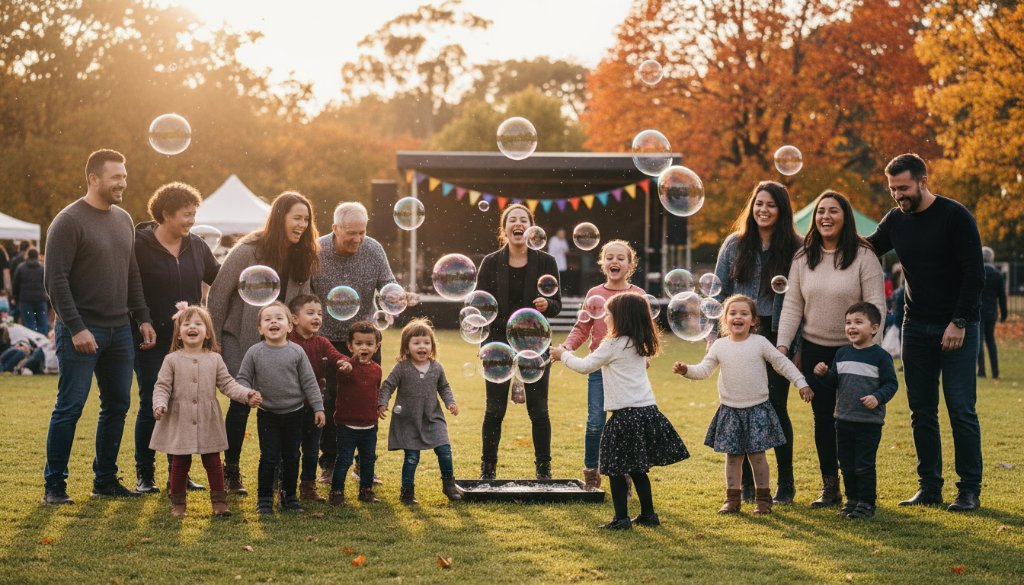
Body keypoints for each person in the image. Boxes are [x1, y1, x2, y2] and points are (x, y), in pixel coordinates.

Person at [867, 153, 985, 512]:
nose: (898, 196)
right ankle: (929, 486)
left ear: (922, 180)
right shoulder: (896, 220)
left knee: (961, 408)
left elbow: (974, 274)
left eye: (903, 188)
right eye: (892, 190)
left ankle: (969, 490)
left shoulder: (955, 216)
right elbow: (868, 248)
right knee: (921, 409)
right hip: (915, 325)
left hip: (957, 326)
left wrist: (959, 322)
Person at [42, 149, 156, 505]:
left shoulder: (123, 219)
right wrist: (76, 327)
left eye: (124, 175)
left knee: (118, 405)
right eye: (116, 177)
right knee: (70, 407)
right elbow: (55, 280)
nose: (123, 182)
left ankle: (104, 480)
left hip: (120, 330)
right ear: (94, 179)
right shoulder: (68, 220)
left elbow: (132, 273)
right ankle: (54, 486)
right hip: (81, 330)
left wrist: (143, 317)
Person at [777, 190, 885, 508]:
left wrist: (872, 353)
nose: (826, 216)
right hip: (815, 351)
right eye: (821, 211)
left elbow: (876, 305)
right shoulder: (803, 257)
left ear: (845, 217)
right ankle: (830, 486)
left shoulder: (864, 256)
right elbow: (793, 305)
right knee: (823, 420)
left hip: (855, 351)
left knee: (854, 422)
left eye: (833, 211)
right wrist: (783, 346)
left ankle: (860, 488)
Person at [207, 191, 320, 495]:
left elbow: (300, 304)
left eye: (306, 219)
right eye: (296, 217)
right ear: (279, 216)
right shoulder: (248, 250)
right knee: (241, 401)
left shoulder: (304, 256)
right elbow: (217, 295)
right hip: (239, 338)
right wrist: (213, 338)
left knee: (284, 407)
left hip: (280, 344)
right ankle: (230, 471)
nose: (302, 224)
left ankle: (281, 473)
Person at [552, 293, 688, 529]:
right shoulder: (638, 342)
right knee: (637, 469)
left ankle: (621, 519)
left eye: (608, 314)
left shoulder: (613, 344)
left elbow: (585, 366)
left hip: (625, 415)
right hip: (646, 412)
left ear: (621, 318)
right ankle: (648, 515)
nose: (605, 318)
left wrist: (562, 354)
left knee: (615, 469)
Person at [673, 295, 809, 515]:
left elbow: (781, 363)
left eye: (744, 313)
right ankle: (732, 499)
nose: (738, 317)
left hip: (757, 408)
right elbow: (704, 370)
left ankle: (763, 499)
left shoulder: (760, 343)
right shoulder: (719, 346)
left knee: (757, 456)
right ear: (725, 319)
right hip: (730, 410)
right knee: (733, 457)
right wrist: (686, 370)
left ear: (753, 320)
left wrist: (801, 383)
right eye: (733, 313)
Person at [711, 180, 802, 504]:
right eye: (759, 203)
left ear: (782, 210)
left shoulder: (796, 247)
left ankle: (785, 485)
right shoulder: (735, 245)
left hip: (778, 335)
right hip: (738, 336)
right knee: (740, 407)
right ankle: (745, 488)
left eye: (771, 205)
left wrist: (796, 346)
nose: (763, 210)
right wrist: (714, 336)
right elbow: (717, 294)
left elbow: (800, 299)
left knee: (775, 408)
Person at [311, 202, 413, 484]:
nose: (358, 239)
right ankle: (329, 464)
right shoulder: (316, 251)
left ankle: (363, 464)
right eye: (351, 233)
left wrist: (399, 296)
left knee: (368, 404)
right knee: (331, 403)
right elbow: (305, 295)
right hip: (327, 340)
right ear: (335, 229)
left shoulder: (373, 249)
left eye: (362, 232)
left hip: (365, 341)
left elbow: (388, 285)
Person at [132, 182, 220, 494]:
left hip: (188, 341)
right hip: (151, 338)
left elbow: (218, 280)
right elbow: (133, 287)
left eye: (194, 214)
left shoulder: (196, 245)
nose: (191, 221)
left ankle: (177, 474)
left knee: (182, 405)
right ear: (166, 214)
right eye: (186, 215)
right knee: (151, 403)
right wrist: (143, 319)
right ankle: (145, 474)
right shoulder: (139, 245)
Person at [476, 203, 562, 480]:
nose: (518, 223)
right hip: (497, 344)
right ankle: (487, 469)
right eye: (512, 219)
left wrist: (547, 304)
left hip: (535, 345)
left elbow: (557, 304)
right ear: (504, 229)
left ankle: (544, 469)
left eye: (523, 219)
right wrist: (483, 344)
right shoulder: (491, 262)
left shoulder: (546, 262)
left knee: (539, 410)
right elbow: (478, 305)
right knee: (494, 409)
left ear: (531, 227)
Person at [149, 305, 262, 518]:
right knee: (180, 462)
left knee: (213, 461)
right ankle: (178, 504)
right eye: (187, 324)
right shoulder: (171, 359)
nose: (193, 327)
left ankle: (219, 502)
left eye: (198, 324)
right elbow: (162, 386)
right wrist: (159, 404)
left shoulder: (214, 359)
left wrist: (246, 395)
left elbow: (228, 384)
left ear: (208, 332)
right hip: (180, 418)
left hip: (207, 418)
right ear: (179, 333)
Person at [558, 240, 647, 490]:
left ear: (630, 265)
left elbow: (646, 333)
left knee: (624, 425)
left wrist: (646, 357)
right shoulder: (594, 295)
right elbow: (582, 327)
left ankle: (625, 474)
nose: (614, 261)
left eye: (620, 258)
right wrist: (566, 347)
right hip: (598, 369)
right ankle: (591, 473)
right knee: (596, 421)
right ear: (602, 263)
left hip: (626, 373)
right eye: (609, 257)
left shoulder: (638, 296)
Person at [235, 301, 325, 515]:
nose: (273, 322)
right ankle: (264, 498)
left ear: (289, 326)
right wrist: (248, 394)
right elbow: (243, 379)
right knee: (269, 457)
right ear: (260, 329)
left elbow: (309, 382)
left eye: (279, 318)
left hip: (295, 414)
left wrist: (318, 408)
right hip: (268, 414)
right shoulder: (254, 352)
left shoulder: (297, 352)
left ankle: (289, 496)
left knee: (292, 455)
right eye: (267, 319)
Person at [812, 302, 899, 519]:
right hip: (843, 419)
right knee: (847, 465)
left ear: (874, 328)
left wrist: (877, 397)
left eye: (858, 322)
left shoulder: (880, 356)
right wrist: (823, 374)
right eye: (848, 323)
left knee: (864, 465)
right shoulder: (842, 353)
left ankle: (867, 503)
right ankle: (852, 500)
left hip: (868, 422)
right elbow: (835, 382)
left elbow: (891, 384)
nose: (852, 327)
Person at [378, 318, 462, 505]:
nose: (422, 346)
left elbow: (444, 387)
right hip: (408, 419)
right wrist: (382, 403)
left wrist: (451, 403)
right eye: (416, 343)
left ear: (432, 347)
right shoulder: (402, 368)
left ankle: (449, 485)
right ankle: (407, 492)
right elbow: (387, 386)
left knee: (445, 450)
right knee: (411, 457)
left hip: (433, 417)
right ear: (407, 348)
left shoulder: (437, 367)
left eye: (426, 342)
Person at [286, 294, 351, 502]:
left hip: (315, 407)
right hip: (290, 407)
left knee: (312, 450)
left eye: (320, 314)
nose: (317, 317)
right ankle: (284, 486)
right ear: (294, 319)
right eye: (310, 313)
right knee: (289, 450)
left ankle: (308, 487)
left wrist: (344, 362)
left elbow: (335, 356)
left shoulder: (322, 342)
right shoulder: (286, 342)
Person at [330, 321, 382, 506]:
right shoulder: (346, 367)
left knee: (368, 461)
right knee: (343, 460)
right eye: (358, 344)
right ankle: (336, 492)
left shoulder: (377, 369)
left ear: (377, 346)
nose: (363, 347)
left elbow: (375, 391)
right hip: (347, 425)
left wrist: (379, 407)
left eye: (369, 343)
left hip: (369, 425)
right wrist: (347, 364)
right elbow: (343, 374)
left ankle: (366, 491)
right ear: (350, 346)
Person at [977, 246, 1007, 379]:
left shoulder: (978, 271)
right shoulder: (997, 274)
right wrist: (1004, 313)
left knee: (979, 341)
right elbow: (1002, 296)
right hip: (991, 312)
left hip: (978, 311)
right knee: (991, 340)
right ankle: (995, 371)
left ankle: (981, 371)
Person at [12, 248, 48, 335]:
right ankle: (42, 344)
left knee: (29, 323)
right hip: (40, 299)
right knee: (42, 322)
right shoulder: (43, 268)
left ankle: (32, 344)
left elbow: (15, 284)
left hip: (25, 300)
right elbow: (47, 284)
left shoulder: (21, 267)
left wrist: (15, 297)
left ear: (27, 255)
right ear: (37, 256)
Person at [547, 228, 570, 294]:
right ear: (557, 233)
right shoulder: (553, 240)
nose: (562, 235)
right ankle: (553, 292)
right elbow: (551, 251)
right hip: (554, 262)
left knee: (562, 278)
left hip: (562, 263)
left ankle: (561, 292)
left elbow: (567, 251)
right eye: (561, 233)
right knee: (554, 278)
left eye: (563, 234)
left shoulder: (564, 240)